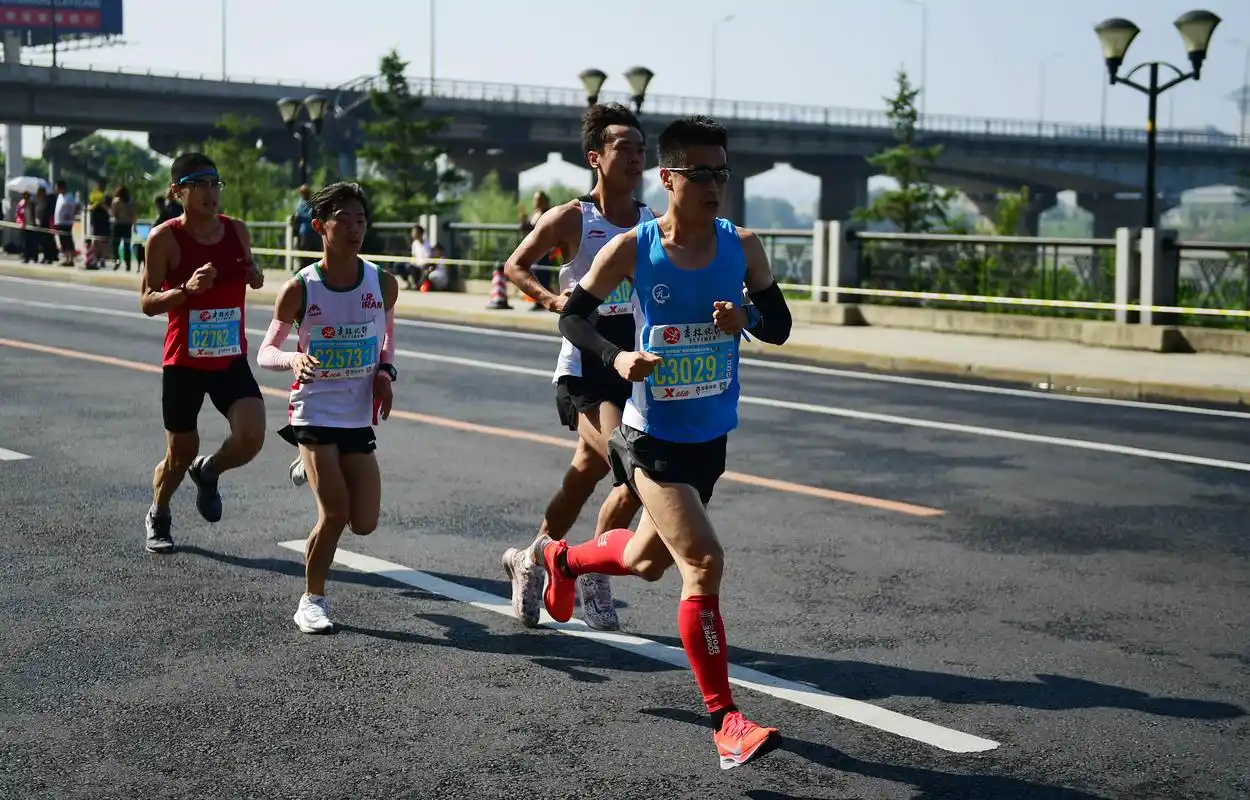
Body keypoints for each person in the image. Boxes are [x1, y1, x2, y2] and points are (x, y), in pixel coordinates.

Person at [533, 115, 794, 769]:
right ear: (669, 179)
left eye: (722, 172)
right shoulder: (635, 249)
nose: (714, 185)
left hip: (709, 437)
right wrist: (616, 362)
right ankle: (725, 720)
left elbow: (782, 325)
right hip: (649, 438)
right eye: (700, 173)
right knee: (702, 563)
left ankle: (564, 563)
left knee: (649, 561)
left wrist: (749, 318)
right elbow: (573, 316)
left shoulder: (744, 247)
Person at [499, 103, 654, 632]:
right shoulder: (574, 218)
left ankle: (533, 558)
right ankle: (592, 573)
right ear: (596, 157)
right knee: (632, 465)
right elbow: (515, 265)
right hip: (586, 366)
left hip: (633, 366)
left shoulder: (652, 223)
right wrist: (549, 299)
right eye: (624, 149)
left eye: (641, 149)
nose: (637, 158)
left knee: (584, 476)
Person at [257, 182, 398, 634]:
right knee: (334, 514)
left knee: (366, 523)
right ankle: (311, 601)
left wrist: (384, 374)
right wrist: (293, 358)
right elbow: (265, 351)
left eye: (361, 219)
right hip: (313, 411)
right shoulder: (301, 289)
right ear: (320, 226)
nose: (356, 228)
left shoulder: (382, 282)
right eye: (345, 219)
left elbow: (387, 338)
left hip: (356, 415)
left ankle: (308, 465)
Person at [139, 153, 266, 553]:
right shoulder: (163, 238)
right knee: (179, 454)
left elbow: (252, 270)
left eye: (216, 184)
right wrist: (185, 291)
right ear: (179, 192)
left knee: (251, 437)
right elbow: (147, 300)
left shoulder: (236, 231)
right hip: (184, 362)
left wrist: (256, 275)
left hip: (229, 356)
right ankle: (159, 511)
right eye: (200, 185)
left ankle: (208, 472)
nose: (211, 193)